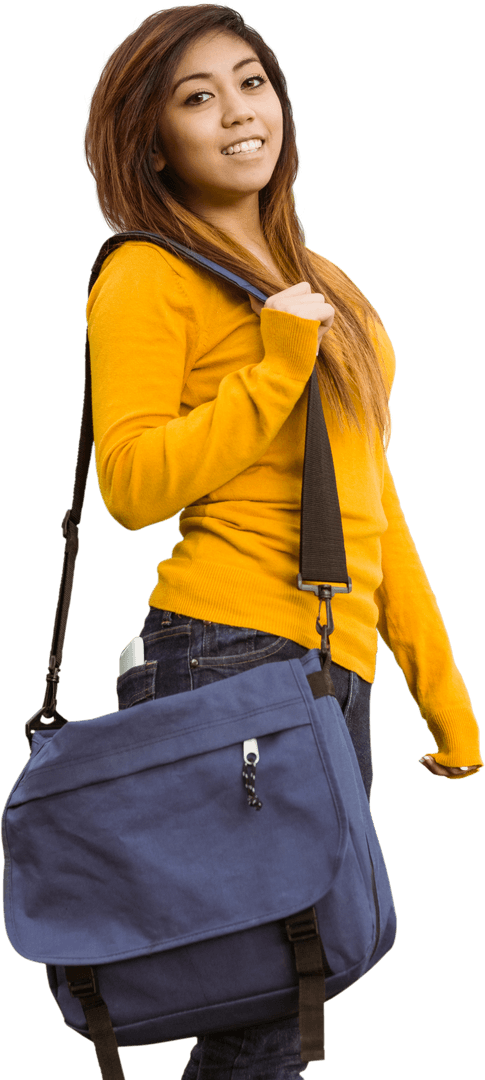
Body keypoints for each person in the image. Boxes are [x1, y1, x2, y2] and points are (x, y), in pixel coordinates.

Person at [82, 5, 483, 1076]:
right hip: (227, 646)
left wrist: (439, 689)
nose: (234, 113)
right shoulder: (147, 274)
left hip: (327, 661)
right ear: (152, 137)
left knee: (311, 968)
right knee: (272, 987)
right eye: (195, 97)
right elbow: (128, 483)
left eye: (248, 81)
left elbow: (372, 503)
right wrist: (271, 369)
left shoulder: (326, 285)